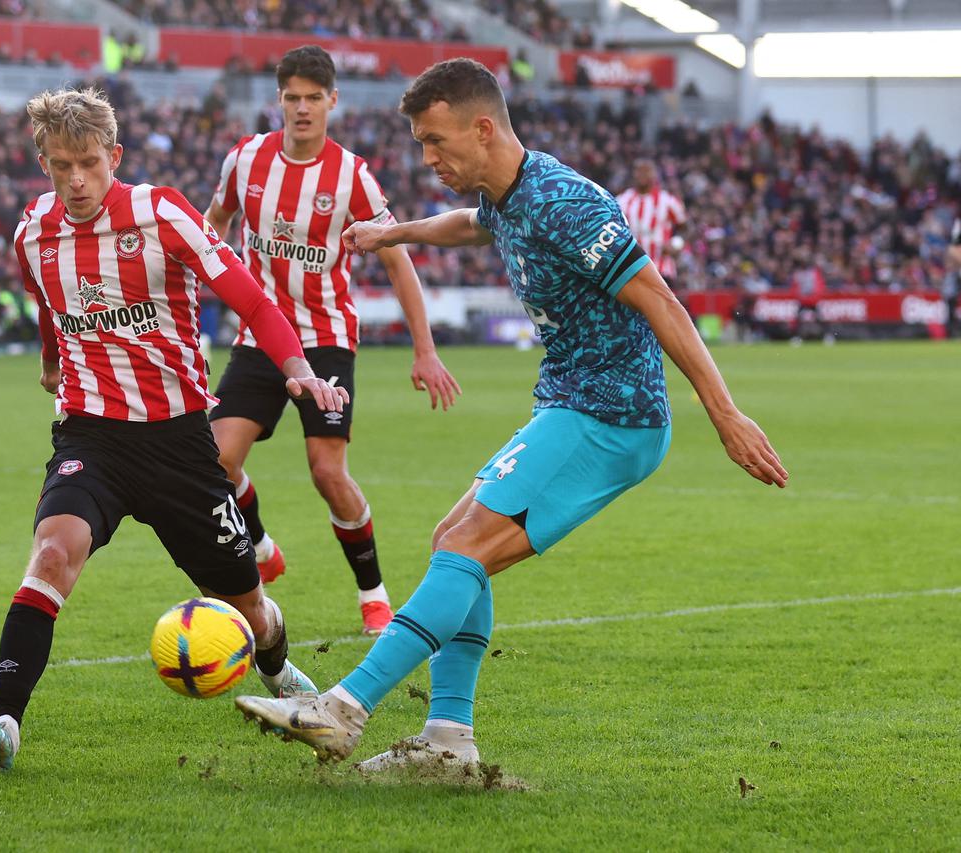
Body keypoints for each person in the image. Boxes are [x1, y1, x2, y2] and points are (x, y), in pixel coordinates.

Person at [235, 58, 788, 771]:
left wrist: (727, 414)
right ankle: (448, 743)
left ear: (483, 128)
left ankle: (341, 707)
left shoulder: (567, 202)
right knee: (454, 542)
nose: (427, 157)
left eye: (436, 142)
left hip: (610, 413)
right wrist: (393, 233)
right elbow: (472, 225)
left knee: (464, 546)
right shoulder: (506, 193)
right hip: (572, 402)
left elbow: (660, 300)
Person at [0, 87, 348, 772]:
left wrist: (299, 369)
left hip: (179, 445)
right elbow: (51, 308)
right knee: (52, 554)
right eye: (59, 166)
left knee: (250, 605)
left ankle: (279, 672)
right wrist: (53, 362)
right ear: (41, 161)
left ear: (115, 156)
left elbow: (251, 298)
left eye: (88, 163)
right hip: (90, 437)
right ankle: (6, 727)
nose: (75, 180)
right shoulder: (32, 233)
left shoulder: (162, 213)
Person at [203, 45, 461, 636]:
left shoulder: (352, 176)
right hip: (258, 337)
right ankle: (262, 547)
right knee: (215, 462)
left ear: (332, 102)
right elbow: (213, 225)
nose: (301, 108)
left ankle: (373, 593)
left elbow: (397, 262)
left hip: (325, 338)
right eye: (291, 98)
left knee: (326, 471)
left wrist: (424, 349)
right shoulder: (244, 161)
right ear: (279, 101)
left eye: (313, 98)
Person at [616, 159, 687, 282]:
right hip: (630, 271)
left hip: (662, 270)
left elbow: (686, 228)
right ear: (633, 173)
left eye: (646, 171)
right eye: (639, 170)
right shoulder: (621, 201)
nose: (642, 174)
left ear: (654, 174)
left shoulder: (667, 201)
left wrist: (676, 243)